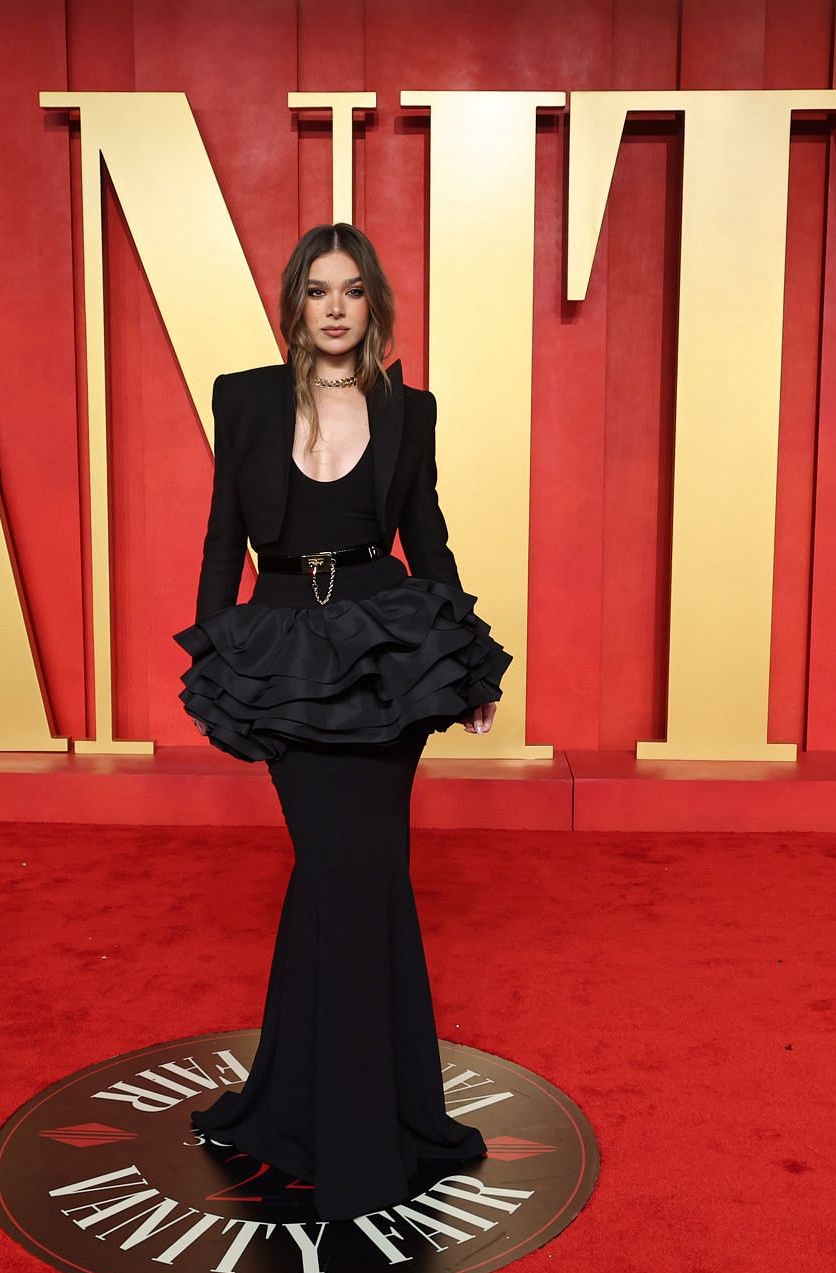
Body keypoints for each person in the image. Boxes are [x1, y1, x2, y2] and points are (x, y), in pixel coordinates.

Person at [171, 222, 511, 1222]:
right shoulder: (244, 397)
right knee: (335, 867)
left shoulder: (411, 410)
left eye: (351, 291)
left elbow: (429, 535)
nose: (333, 307)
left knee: (367, 872)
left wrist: (468, 658)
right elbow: (222, 529)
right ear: (294, 302)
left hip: (383, 650)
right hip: (282, 645)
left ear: (373, 307)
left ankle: (364, 1119)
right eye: (317, 289)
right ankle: (320, 1108)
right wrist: (210, 652)